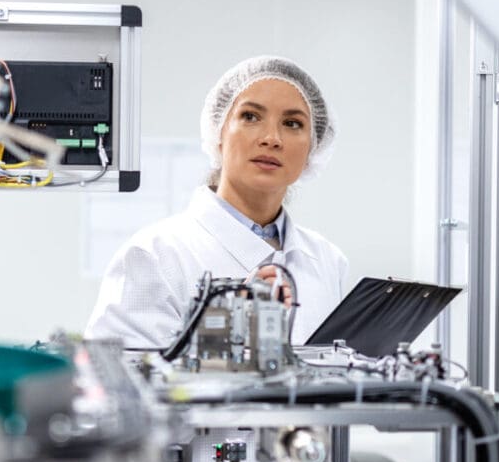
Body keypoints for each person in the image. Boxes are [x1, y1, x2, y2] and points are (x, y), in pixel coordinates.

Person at [86, 55, 348, 349]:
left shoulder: (327, 261)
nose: (272, 138)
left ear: (312, 147)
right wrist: (226, 339)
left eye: (292, 123)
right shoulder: (155, 256)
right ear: (218, 132)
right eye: (250, 116)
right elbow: (121, 382)